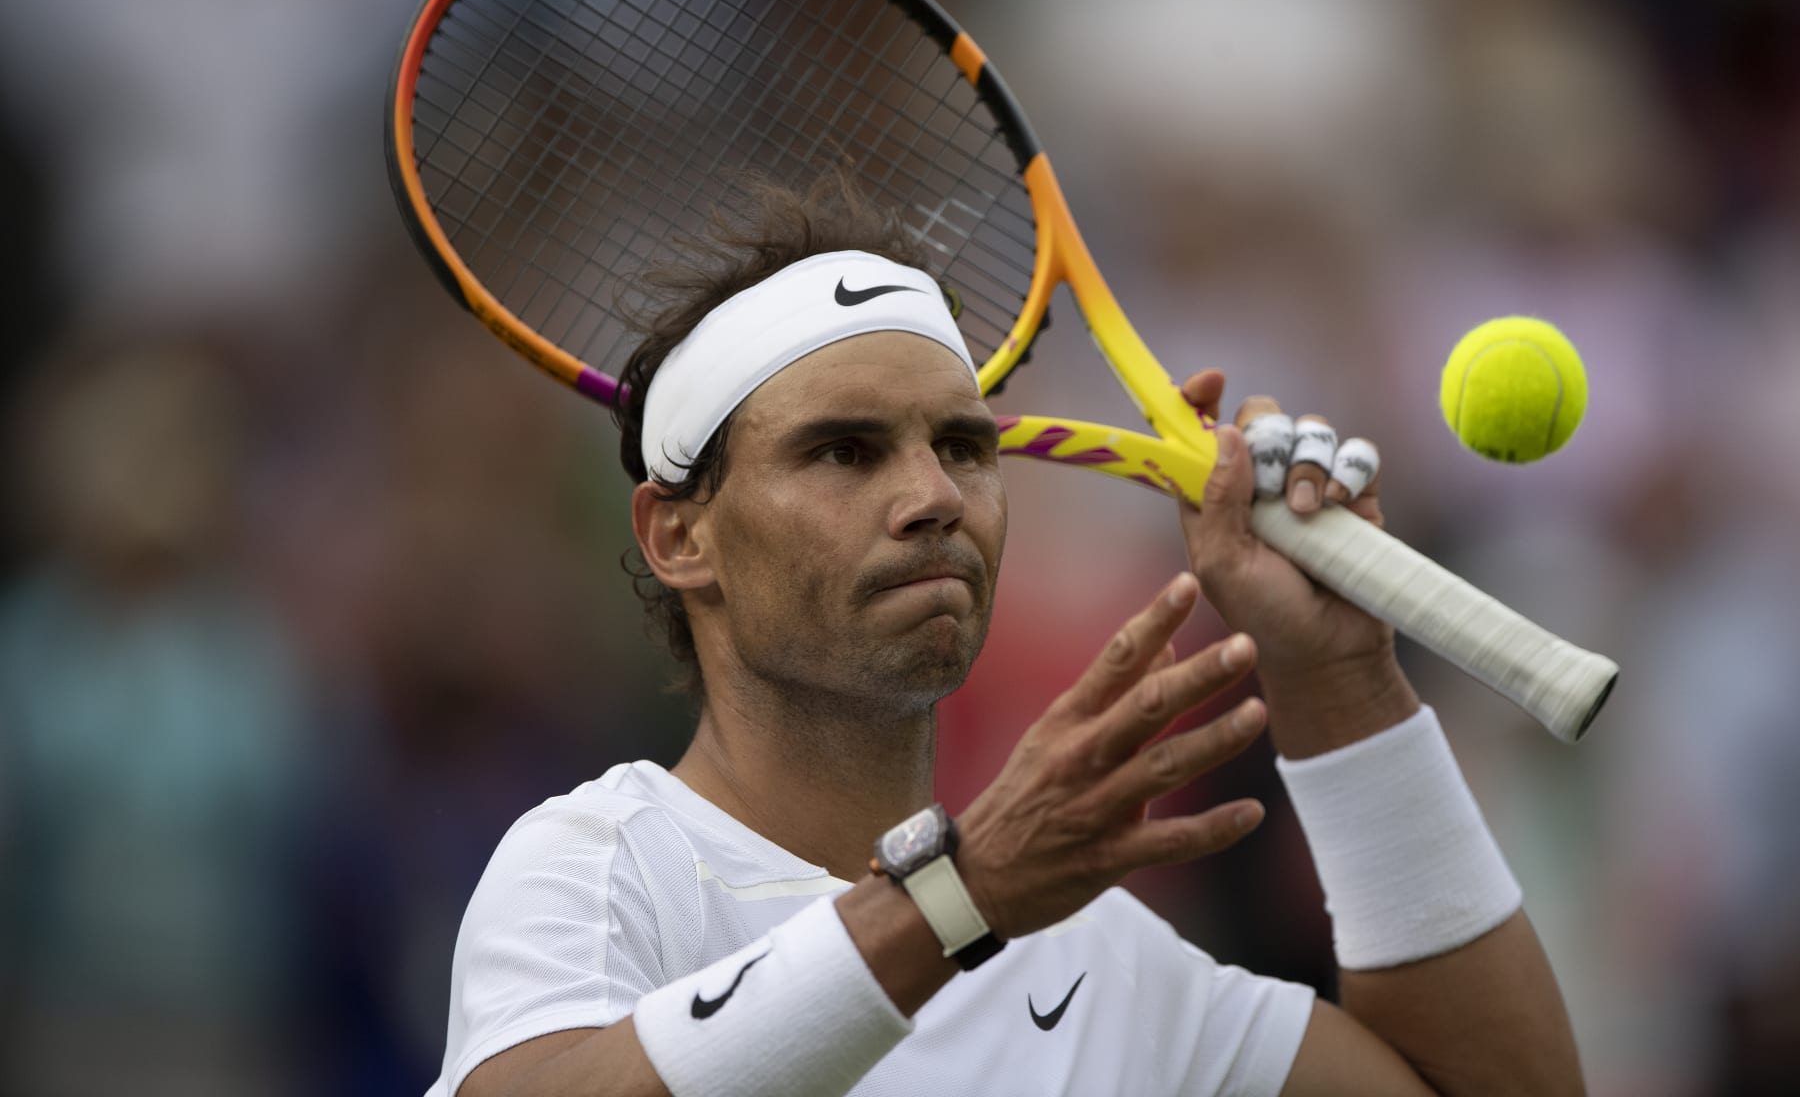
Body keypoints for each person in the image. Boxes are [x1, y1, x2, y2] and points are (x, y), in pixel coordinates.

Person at [425, 180, 1583, 1096]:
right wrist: (957, 896)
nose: (935, 496)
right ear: (681, 535)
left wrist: (1342, 677)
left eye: (965, 447)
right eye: (844, 451)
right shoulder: (597, 865)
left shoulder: (1097, 952)